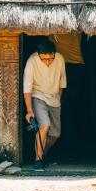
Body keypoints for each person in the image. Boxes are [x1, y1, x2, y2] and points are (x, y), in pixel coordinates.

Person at [23, 39, 66, 171]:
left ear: (54, 54)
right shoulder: (32, 62)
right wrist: (29, 111)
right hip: (38, 95)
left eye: (50, 59)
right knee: (44, 125)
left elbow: (61, 82)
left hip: (54, 98)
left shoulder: (60, 59)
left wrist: (58, 99)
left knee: (55, 135)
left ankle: (42, 155)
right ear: (38, 55)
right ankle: (38, 160)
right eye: (44, 59)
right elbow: (27, 90)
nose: (48, 62)